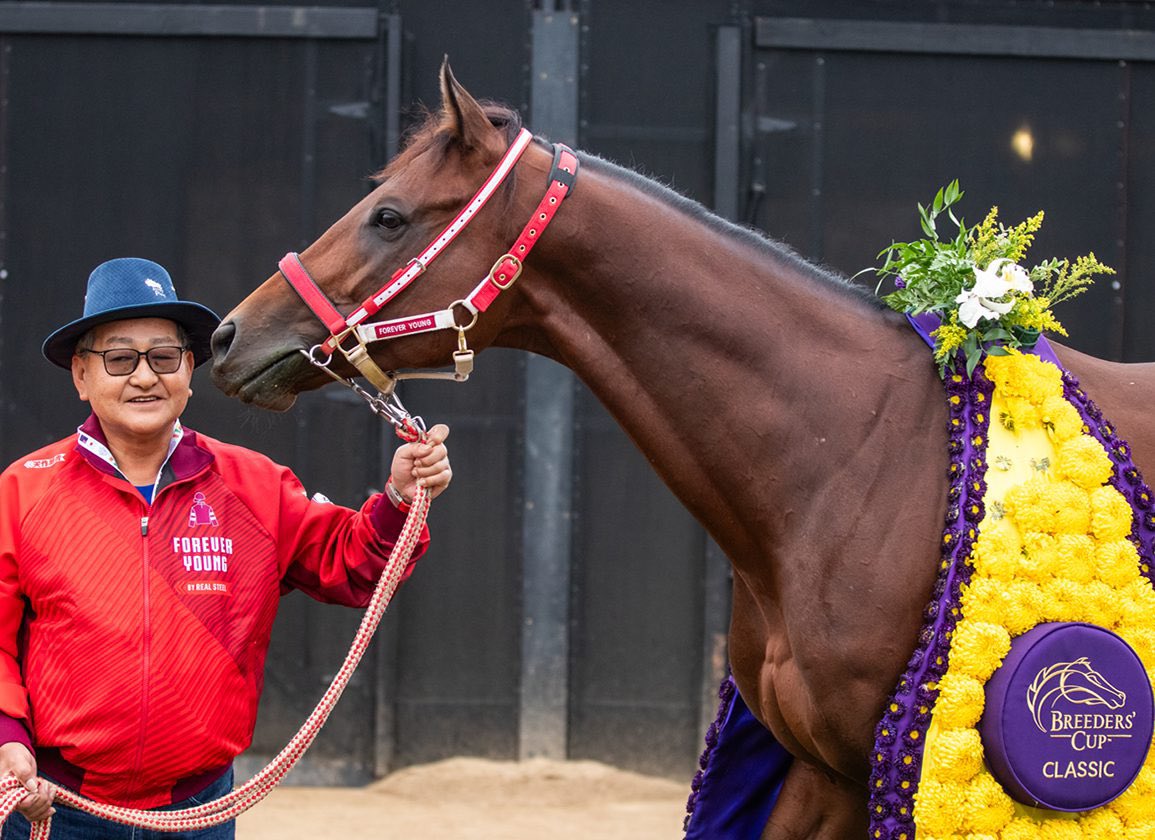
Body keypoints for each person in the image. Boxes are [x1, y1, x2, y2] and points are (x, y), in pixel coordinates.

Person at [0, 258, 452, 838]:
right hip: (56, 806)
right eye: (119, 358)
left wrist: (399, 496)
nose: (144, 378)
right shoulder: (26, 489)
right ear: (81, 376)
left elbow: (354, 562)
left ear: (189, 371)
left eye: (164, 357)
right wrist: (8, 741)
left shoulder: (251, 485)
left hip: (201, 812)